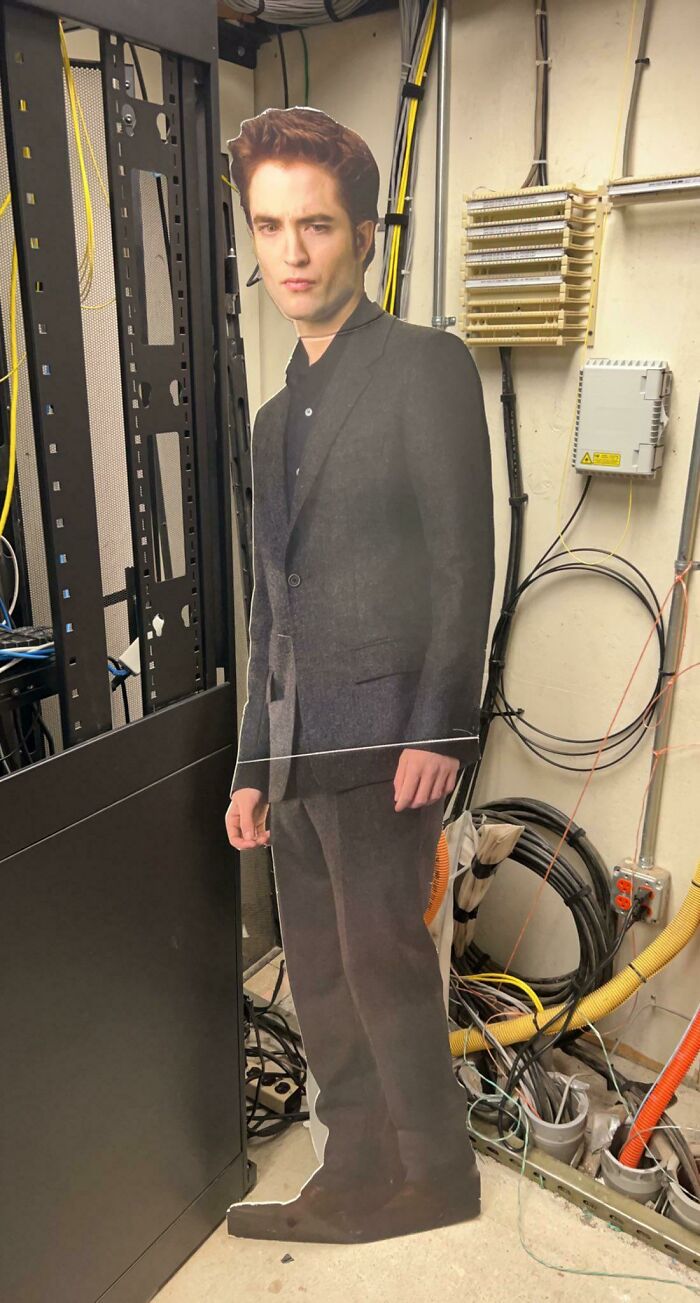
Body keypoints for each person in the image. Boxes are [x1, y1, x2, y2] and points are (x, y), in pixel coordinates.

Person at [224, 107, 495, 1244]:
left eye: (316, 225)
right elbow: (269, 612)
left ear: (362, 237)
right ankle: (352, 1167)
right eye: (271, 225)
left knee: (385, 972)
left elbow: (462, 559)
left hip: (390, 745)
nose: (291, 251)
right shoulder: (274, 417)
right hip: (294, 756)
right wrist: (248, 764)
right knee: (322, 979)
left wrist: (442, 727)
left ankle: (432, 1176)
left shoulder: (423, 365)